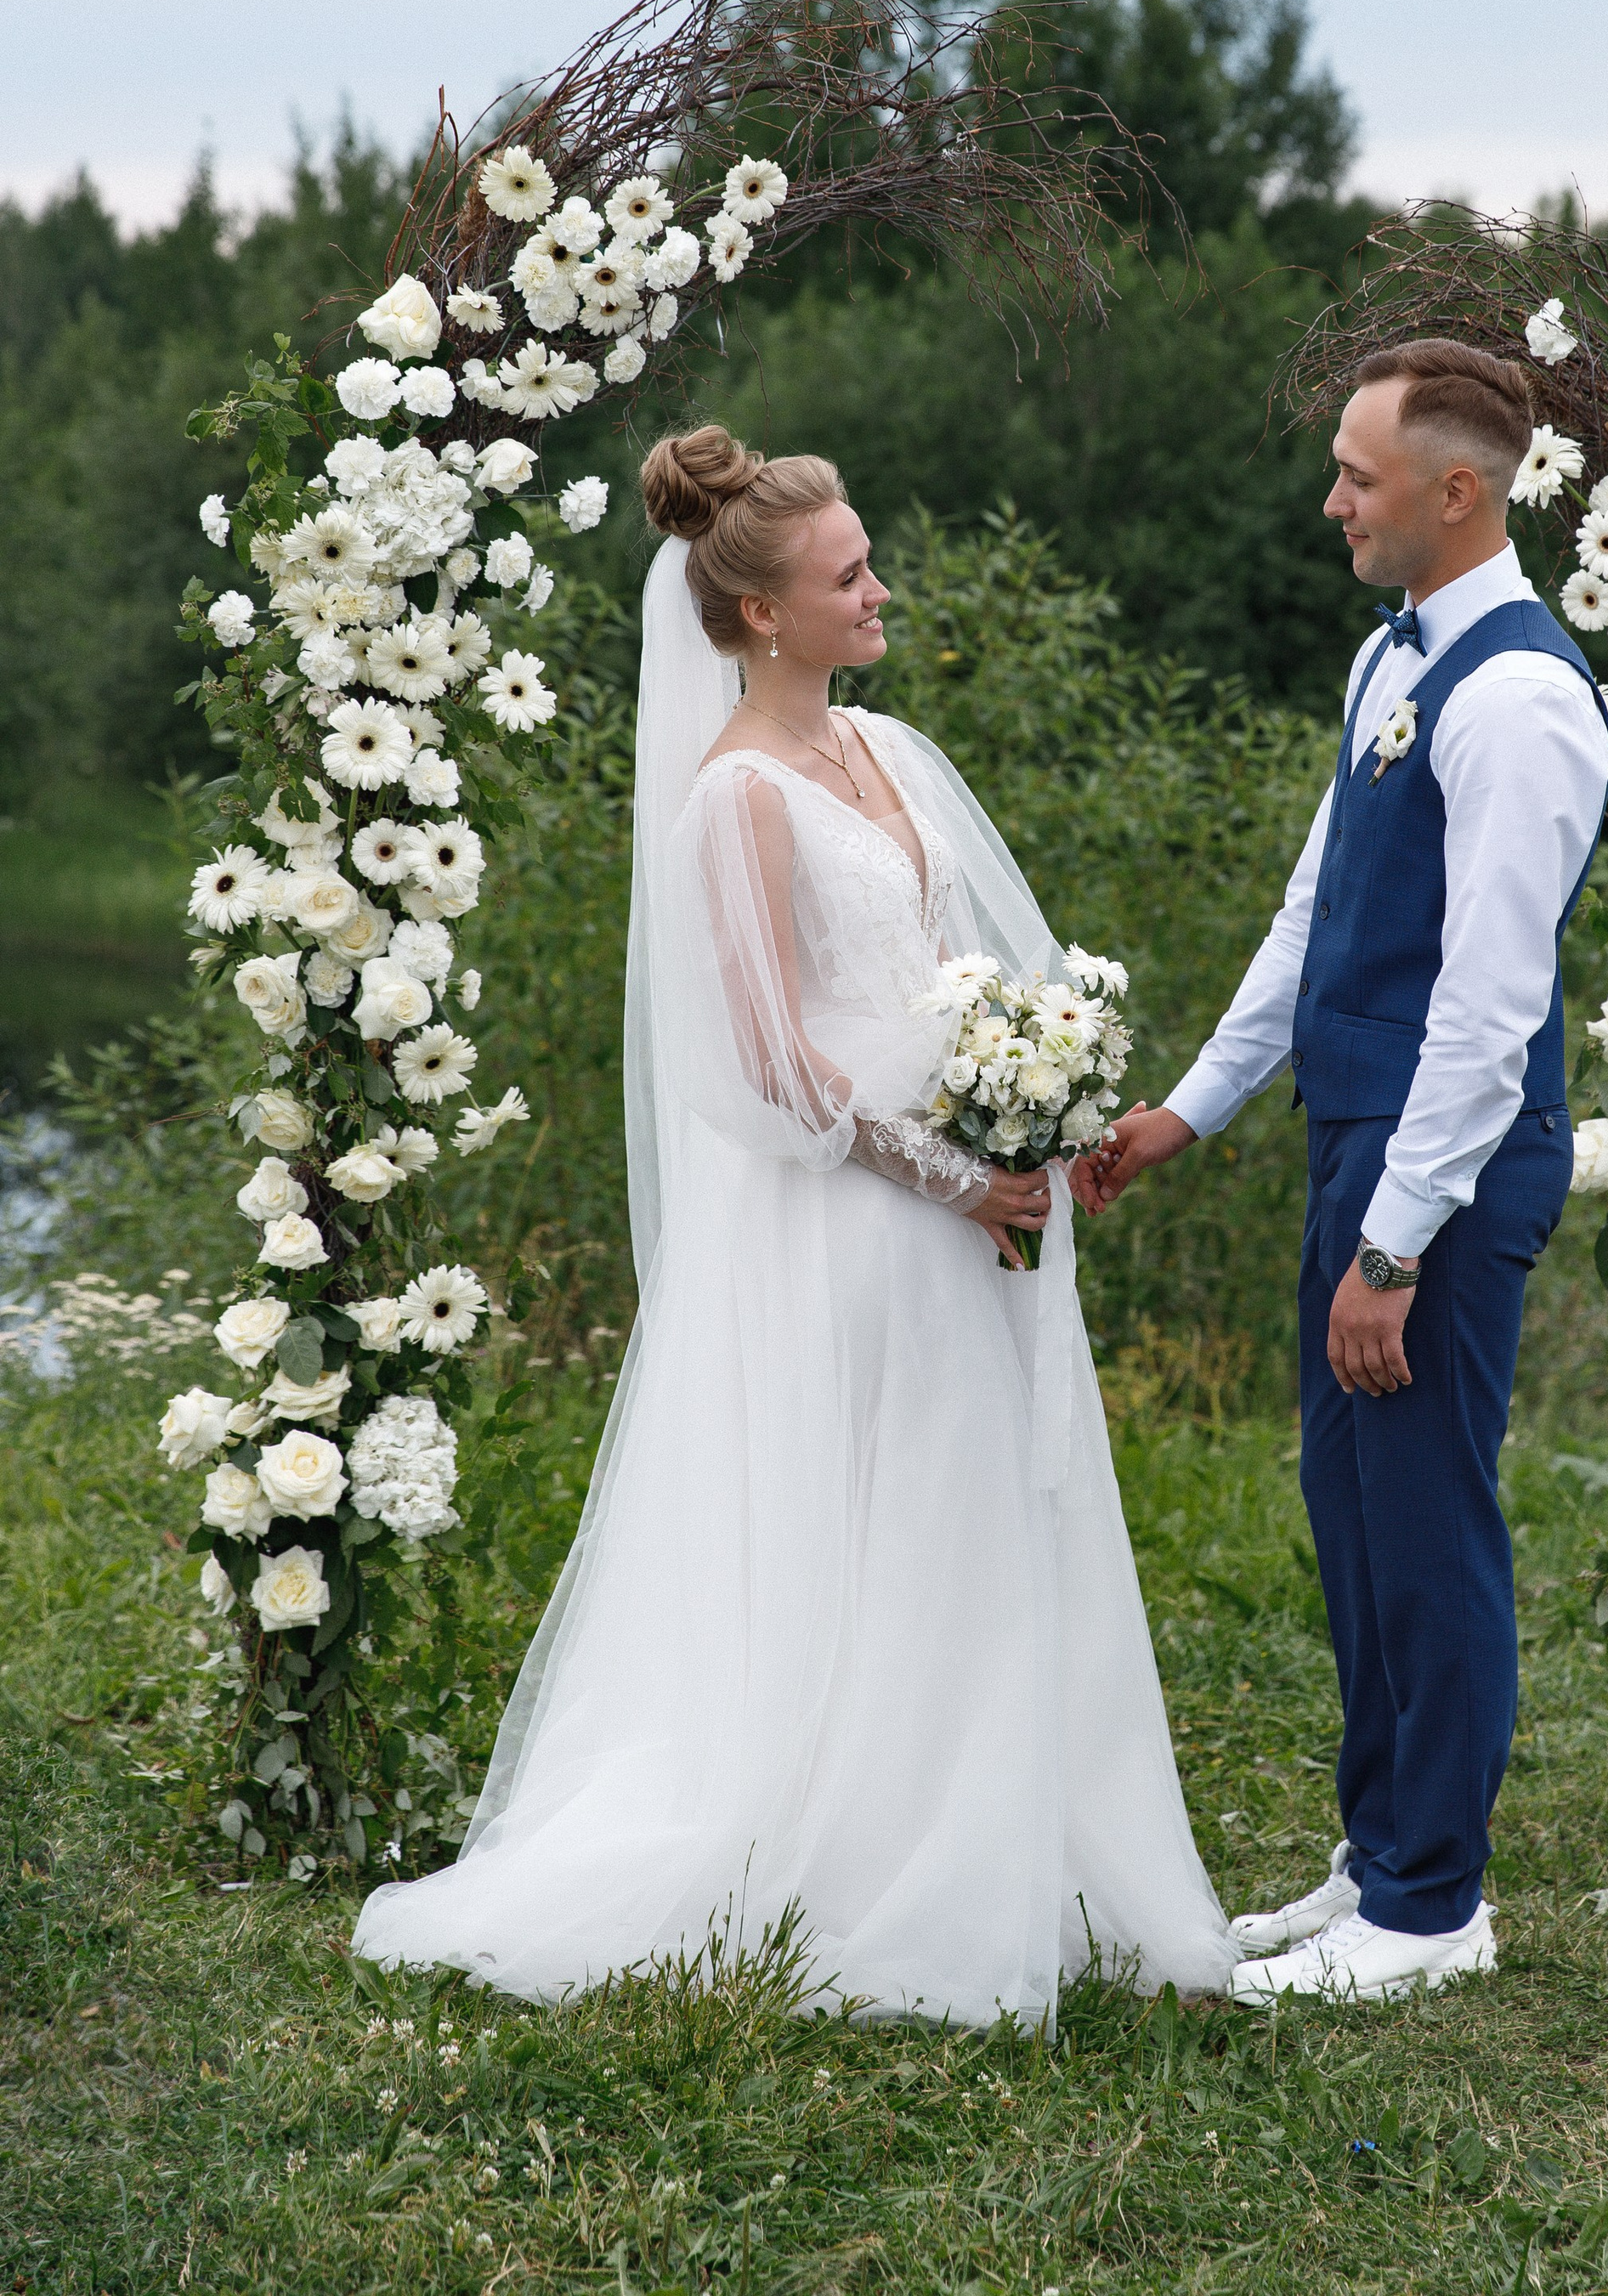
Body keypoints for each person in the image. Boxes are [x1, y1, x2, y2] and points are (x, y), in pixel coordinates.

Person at [354, 426, 1233, 2022]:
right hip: (852, 1225)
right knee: (877, 1520)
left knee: (986, 1511)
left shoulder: (891, 753)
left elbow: (961, 980)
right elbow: (764, 1064)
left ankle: (1028, 1841)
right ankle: (871, 1863)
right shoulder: (733, 805)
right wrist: (957, 1176)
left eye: (868, 562)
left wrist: (1039, 1098)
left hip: (972, 1201)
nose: (879, 590)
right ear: (761, 616)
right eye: (849, 577)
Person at [1077, 340, 1608, 2002]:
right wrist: (1190, 1108)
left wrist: (1391, 1249)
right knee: (1351, 1512)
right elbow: (1315, 919)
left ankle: (1432, 1908)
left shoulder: (1520, 699)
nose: (1329, 500)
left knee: (1423, 1516)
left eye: (1355, 477)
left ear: (1456, 494)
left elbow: (1488, 1000)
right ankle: (1378, 1857)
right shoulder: (1389, 662)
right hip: (1359, 1145)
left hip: (1442, 1170)